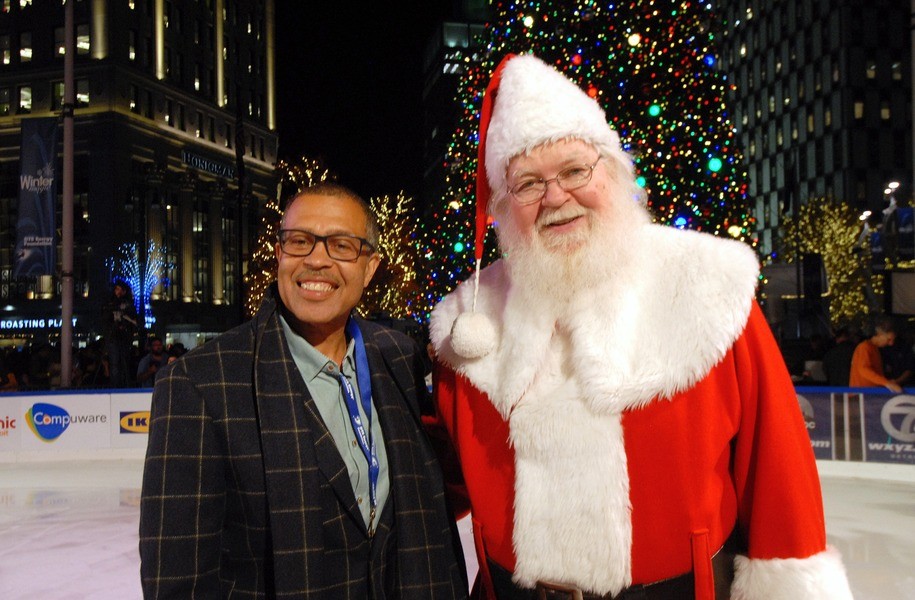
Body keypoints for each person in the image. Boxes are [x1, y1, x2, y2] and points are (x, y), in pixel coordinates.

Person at [428, 54, 852, 599]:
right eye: (527, 184)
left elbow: (776, 465)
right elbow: (438, 473)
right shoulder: (468, 319)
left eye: (574, 171)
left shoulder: (705, 285)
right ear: (505, 207)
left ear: (613, 171)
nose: (555, 198)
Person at [140, 183, 467, 598]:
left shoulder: (398, 358)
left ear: (369, 268)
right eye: (299, 242)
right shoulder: (199, 383)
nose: (317, 260)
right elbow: (179, 581)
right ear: (279, 255)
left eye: (342, 246)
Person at [849, 315, 903, 392]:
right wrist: (887, 383)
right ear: (880, 334)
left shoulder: (875, 349)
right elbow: (864, 369)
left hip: (870, 395)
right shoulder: (864, 347)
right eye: (889, 339)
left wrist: (887, 383)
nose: (891, 343)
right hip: (861, 397)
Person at [101, 281, 137, 388]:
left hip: (124, 337)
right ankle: (115, 385)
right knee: (115, 362)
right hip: (113, 337)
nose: (119, 292)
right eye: (117, 289)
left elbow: (133, 319)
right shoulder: (110, 303)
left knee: (124, 362)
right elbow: (105, 319)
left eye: (121, 290)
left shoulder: (128, 304)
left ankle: (124, 383)